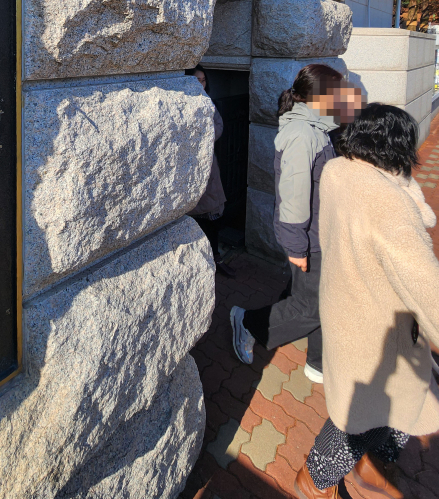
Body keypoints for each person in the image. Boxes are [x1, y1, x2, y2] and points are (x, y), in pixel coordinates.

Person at [295, 104, 439, 499]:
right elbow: (425, 284)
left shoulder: (337, 172)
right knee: (365, 410)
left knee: (373, 403)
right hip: (378, 324)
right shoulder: (386, 204)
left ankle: (369, 463)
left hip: (347, 304)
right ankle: (314, 481)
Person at [230, 64, 361, 382]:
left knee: (322, 296)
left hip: (324, 232)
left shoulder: (320, 128)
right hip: (311, 237)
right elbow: (292, 196)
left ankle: (318, 361)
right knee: (313, 305)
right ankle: (249, 323)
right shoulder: (302, 134)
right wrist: (296, 247)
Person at [187, 67, 234, 278]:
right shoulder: (183, 102)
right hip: (189, 167)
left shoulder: (209, 102)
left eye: (203, 80)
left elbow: (218, 125)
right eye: (196, 80)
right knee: (195, 217)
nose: (201, 84)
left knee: (212, 215)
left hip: (208, 165)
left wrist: (205, 136)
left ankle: (215, 257)